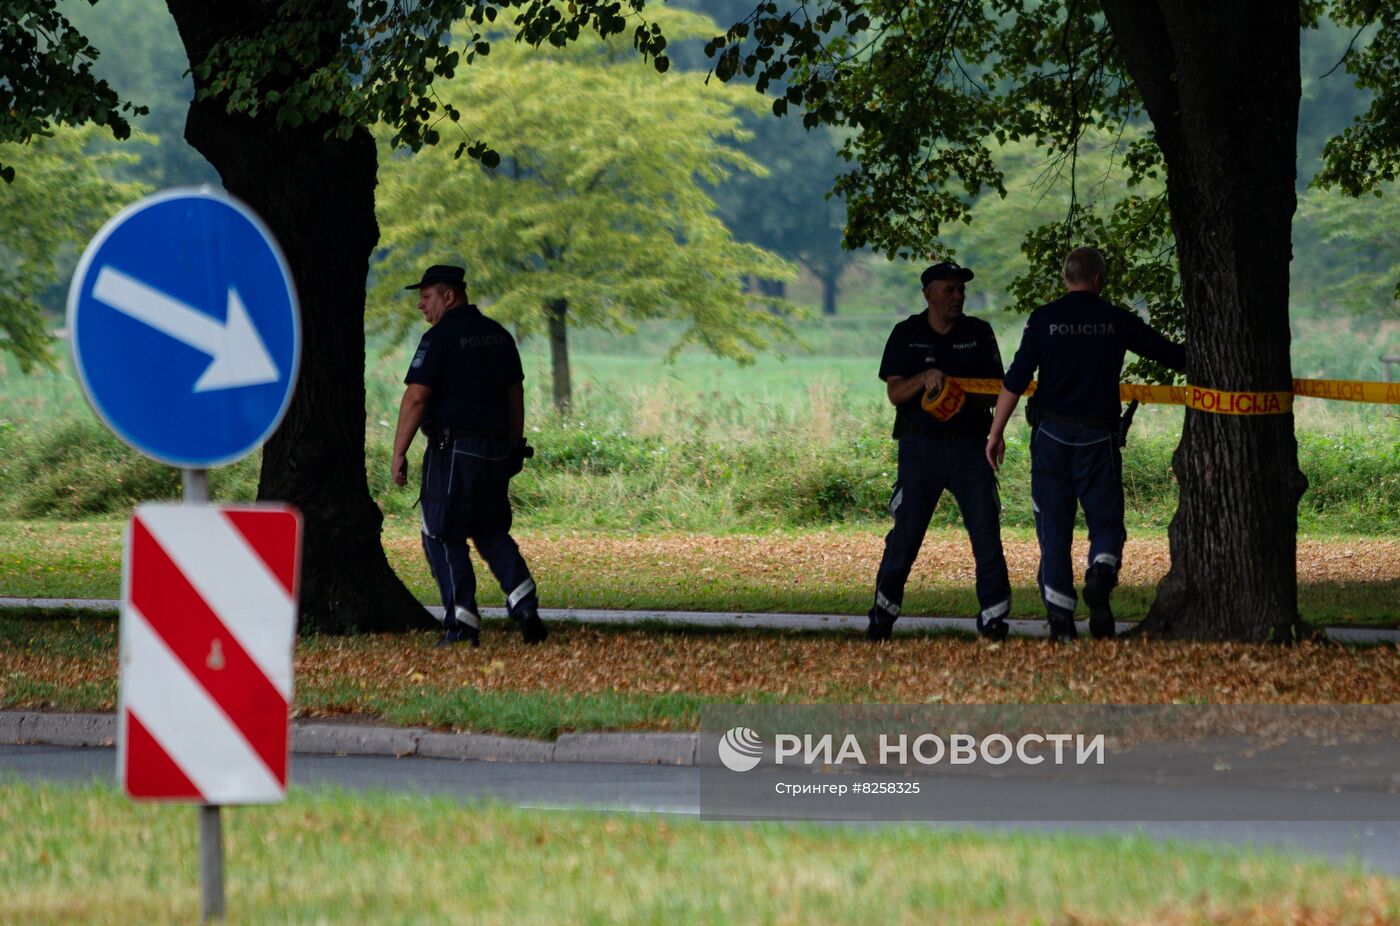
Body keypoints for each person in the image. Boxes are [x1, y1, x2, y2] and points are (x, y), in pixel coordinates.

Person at [985, 247, 1185, 641]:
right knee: (1107, 522)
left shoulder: (1044, 320)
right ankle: (1101, 572)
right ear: (1098, 280)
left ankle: (1061, 623)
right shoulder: (1115, 320)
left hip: (1052, 439)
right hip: (1099, 438)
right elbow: (1167, 353)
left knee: (1054, 531)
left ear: (1066, 278)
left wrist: (995, 432)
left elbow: (1016, 377)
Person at [391, 264, 547, 647]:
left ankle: (462, 626)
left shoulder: (439, 338)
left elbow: (415, 397)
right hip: (496, 449)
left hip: (454, 450)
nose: (420, 306)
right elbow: (516, 394)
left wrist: (398, 454)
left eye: (426, 298)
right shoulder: (499, 336)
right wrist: (513, 443)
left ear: (449, 296)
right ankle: (525, 606)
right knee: (491, 530)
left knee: (442, 533)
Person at [867, 260, 1013, 642]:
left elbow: (998, 388)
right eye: (948, 290)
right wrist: (923, 380)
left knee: (986, 533)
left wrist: (957, 392)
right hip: (921, 449)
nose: (957, 296)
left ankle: (995, 620)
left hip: (969, 448)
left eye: (961, 290)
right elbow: (895, 393)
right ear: (928, 293)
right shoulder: (905, 333)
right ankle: (881, 618)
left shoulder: (979, 333)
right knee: (906, 536)